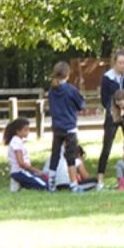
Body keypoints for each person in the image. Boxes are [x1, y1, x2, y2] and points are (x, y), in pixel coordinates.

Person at [97, 48, 124, 189]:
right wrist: (114, 107)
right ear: (114, 62)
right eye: (120, 62)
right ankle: (100, 179)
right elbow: (104, 98)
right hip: (113, 114)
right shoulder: (107, 78)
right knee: (107, 145)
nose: (122, 65)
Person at [46, 61, 86, 193]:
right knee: (70, 156)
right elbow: (81, 105)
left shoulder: (52, 90)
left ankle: (51, 183)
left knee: (55, 154)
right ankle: (73, 183)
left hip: (57, 127)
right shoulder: (71, 90)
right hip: (70, 127)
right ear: (68, 74)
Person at [4, 118, 47, 191]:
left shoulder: (18, 141)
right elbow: (21, 163)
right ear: (18, 131)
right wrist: (36, 170)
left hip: (22, 171)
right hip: (20, 172)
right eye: (25, 130)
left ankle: (17, 185)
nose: (28, 132)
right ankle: (20, 182)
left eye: (28, 129)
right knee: (46, 186)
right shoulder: (16, 142)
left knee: (44, 180)